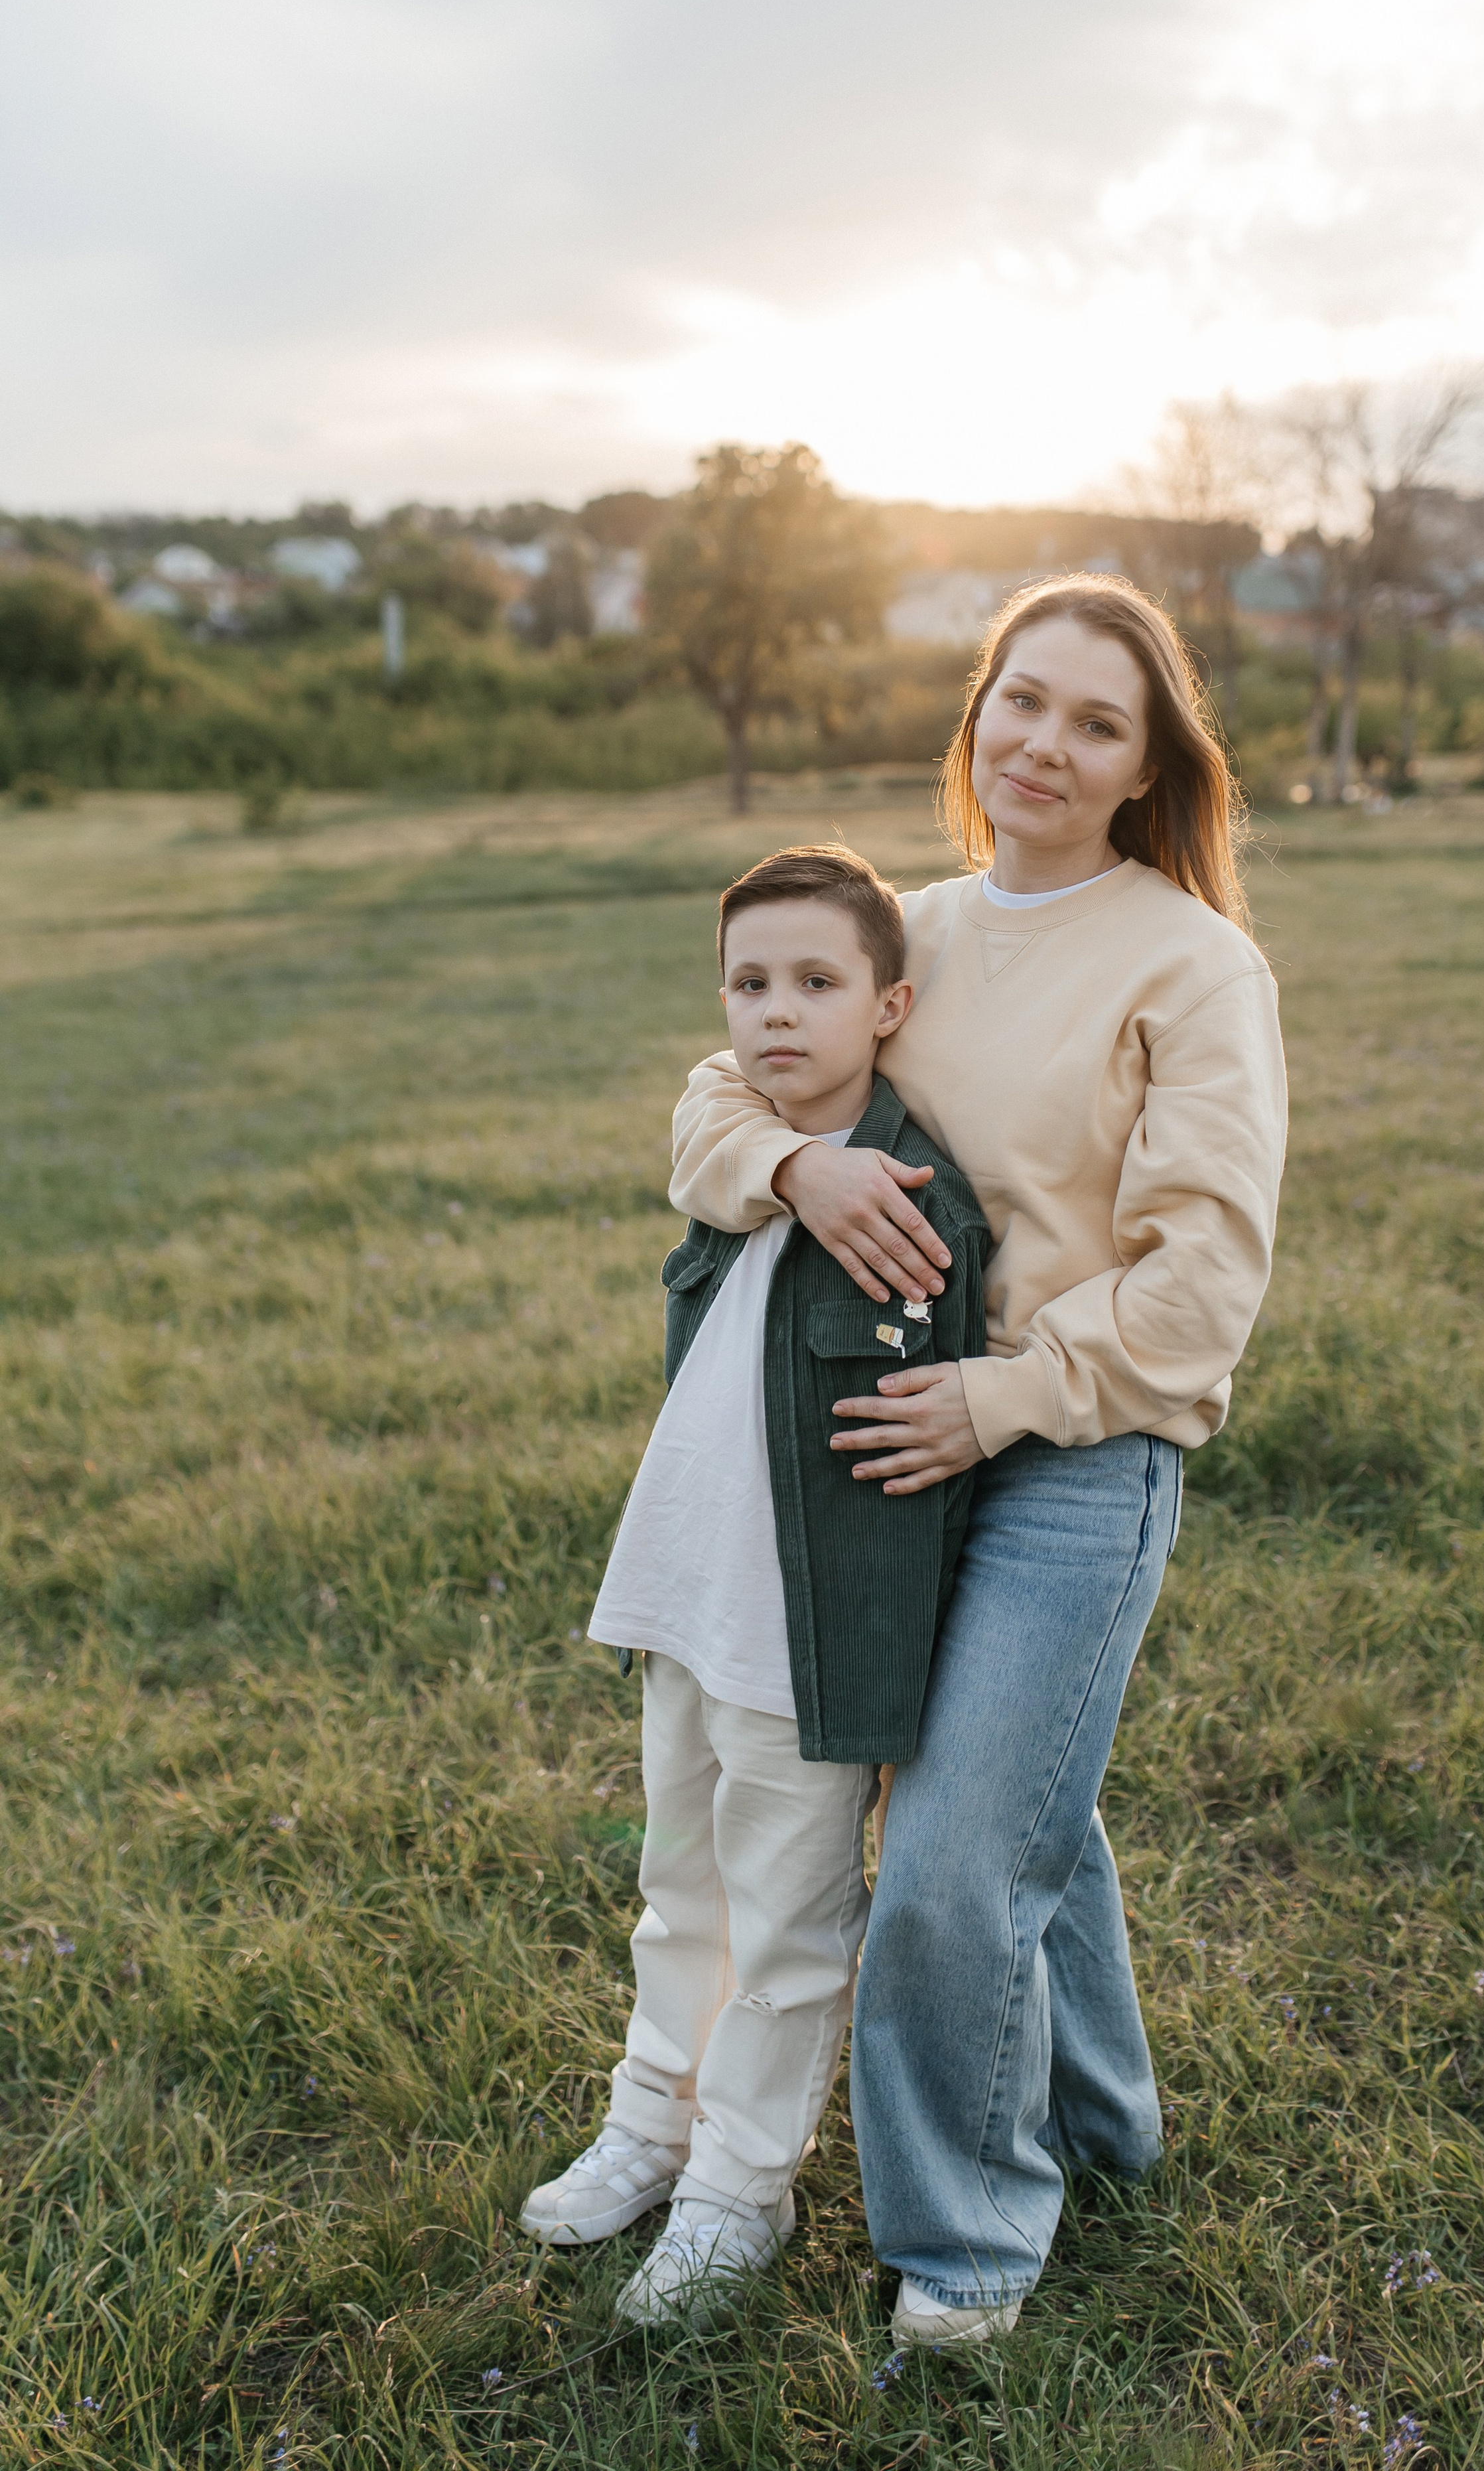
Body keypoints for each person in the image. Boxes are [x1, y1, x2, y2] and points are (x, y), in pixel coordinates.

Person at [670, 576, 1288, 2346]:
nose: (1046, 743)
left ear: (1145, 763)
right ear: (979, 713)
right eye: (1023, 700)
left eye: (1098, 722)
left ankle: (965, 2246)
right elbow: (719, 1092)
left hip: (1072, 1456)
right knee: (1024, 1812)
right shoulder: (905, 933)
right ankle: (1108, 2127)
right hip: (887, 1445)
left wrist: (1007, 1403)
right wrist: (801, 1172)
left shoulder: (1193, 961)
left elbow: (1204, 1286)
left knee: (949, 1865)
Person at [519, 847, 988, 2326]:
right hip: (684, 1601)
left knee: (786, 1926)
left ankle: (740, 2187)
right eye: (747, 983)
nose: (773, 1013)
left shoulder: (918, 1204)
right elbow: (698, 1135)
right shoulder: (746, 1149)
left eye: (814, 982)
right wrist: (791, 1161)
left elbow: (930, 1461)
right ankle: (650, 2128)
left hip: (811, 1637)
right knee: (678, 1893)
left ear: (888, 1001)